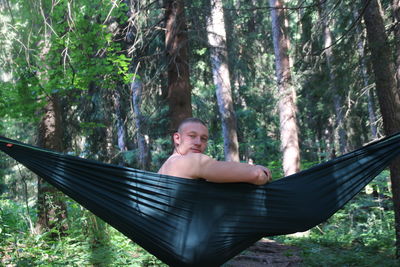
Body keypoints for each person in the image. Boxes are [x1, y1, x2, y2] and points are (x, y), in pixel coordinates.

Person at [158, 118, 272, 185]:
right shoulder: (189, 161)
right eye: (192, 136)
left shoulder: (166, 166)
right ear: (177, 138)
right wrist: (262, 172)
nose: (198, 142)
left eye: (203, 139)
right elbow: (256, 175)